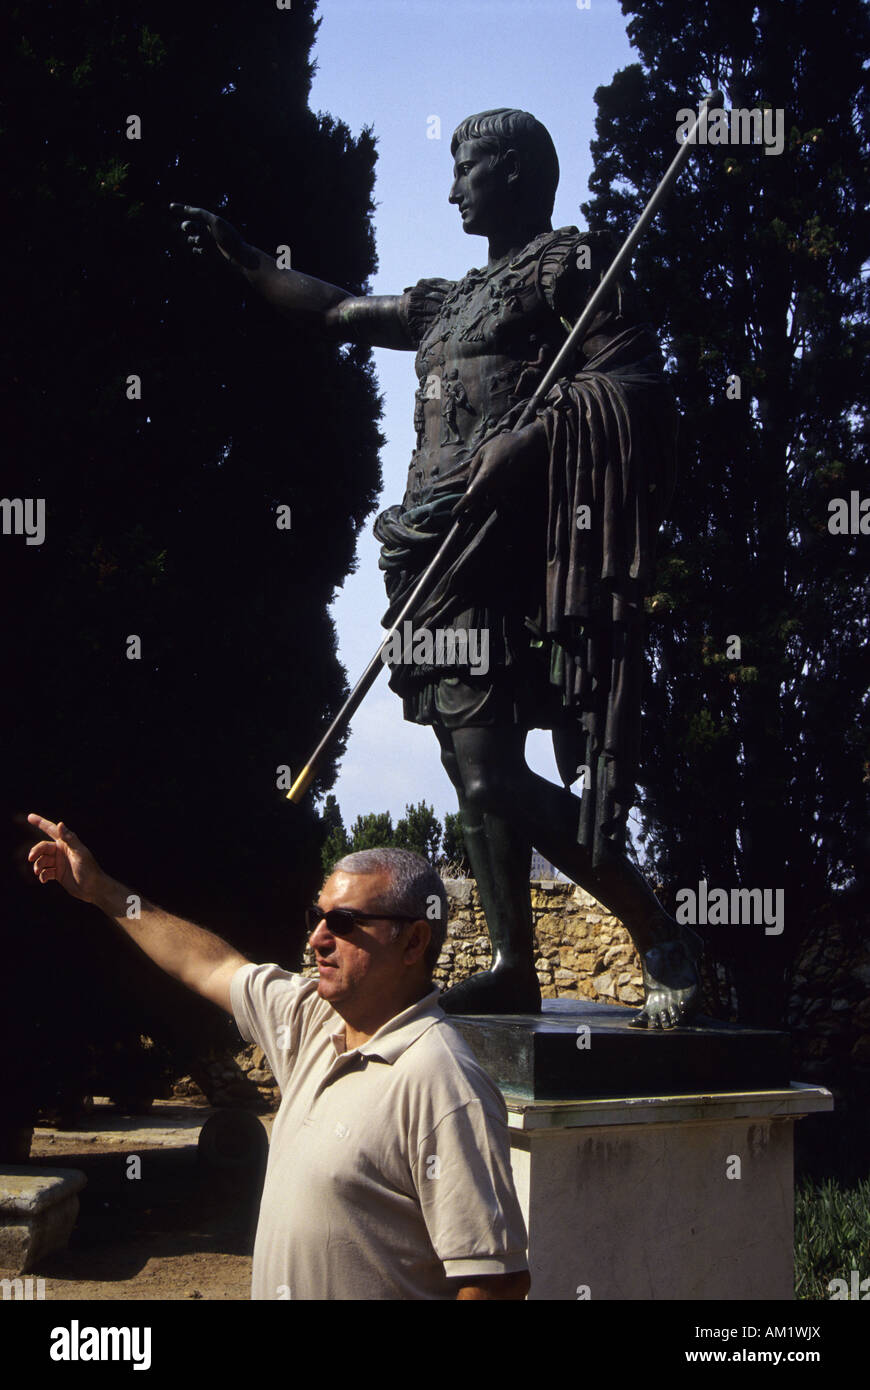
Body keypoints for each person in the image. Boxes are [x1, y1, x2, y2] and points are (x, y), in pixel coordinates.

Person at [170, 106, 702, 1029]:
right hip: (430, 549)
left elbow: (638, 388)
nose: (453, 190)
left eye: (469, 169)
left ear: (516, 172)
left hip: (502, 551)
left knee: (492, 775)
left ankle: (660, 935)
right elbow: (337, 309)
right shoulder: (450, 301)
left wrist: (535, 437)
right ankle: (512, 967)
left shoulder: (569, 267)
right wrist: (251, 262)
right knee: (468, 769)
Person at [26, 813, 530, 1301]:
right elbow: (209, 965)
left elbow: (496, 1282)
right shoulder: (310, 1019)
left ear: (414, 941)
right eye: (316, 918)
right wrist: (102, 891)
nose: (317, 939)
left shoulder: (442, 1080)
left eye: (343, 922)